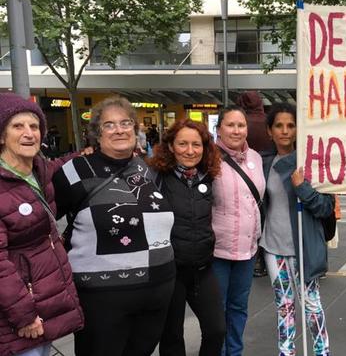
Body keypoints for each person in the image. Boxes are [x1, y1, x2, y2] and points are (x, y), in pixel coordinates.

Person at [53, 96, 176, 356]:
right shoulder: (75, 171)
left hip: (157, 294)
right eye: (109, 125)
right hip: (101, 300)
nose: (119, 130)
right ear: (97, 134)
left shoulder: (148, 169)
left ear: (135, 129)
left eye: (125, 123)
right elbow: (43, 221)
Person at [0, 93, 85, 356]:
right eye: (17, 126)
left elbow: (59, 164)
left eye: (34, 126)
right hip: (18, 315)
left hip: (43, 302)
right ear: (1, 136)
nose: (29, 133)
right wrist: (24, 316)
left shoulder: (39, 170)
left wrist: (86, 154)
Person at [260, 103, 333, 356]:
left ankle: (322, 352)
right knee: (284, 306)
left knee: (312, 306)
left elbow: (326, 208)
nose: (285, 131)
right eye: (279, 126)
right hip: (273, 248)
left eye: (291, 125)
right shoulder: (264, 163)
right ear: (269, 131)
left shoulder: (312, 163)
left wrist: (303, 188)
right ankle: (286, 352)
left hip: (303, 248)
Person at [149, 119, 226, 356]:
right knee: (171, 336)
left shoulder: (209, 176)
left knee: (216, 330)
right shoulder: (155, 176)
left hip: (202, 268)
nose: (190, 151)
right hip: (169, 271)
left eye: (196, 144)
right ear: (170, 146)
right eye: (182, 143)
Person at [211, 106, 265, 356]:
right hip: (217, 250)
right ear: (219, 128)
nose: (236, 130)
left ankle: (235, 352)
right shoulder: (207, 156)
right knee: (217, 309)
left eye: (240, 125)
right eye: (230, 125)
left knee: (239, 307)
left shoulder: (255, 157)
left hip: (248, 249)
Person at [237, 91, 272, 277]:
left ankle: (254, 258)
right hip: (267, 172)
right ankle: (266, 260)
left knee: (248, 215)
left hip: (243, 174)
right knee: (266, 216)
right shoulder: (267, 121)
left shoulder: (242, 123)